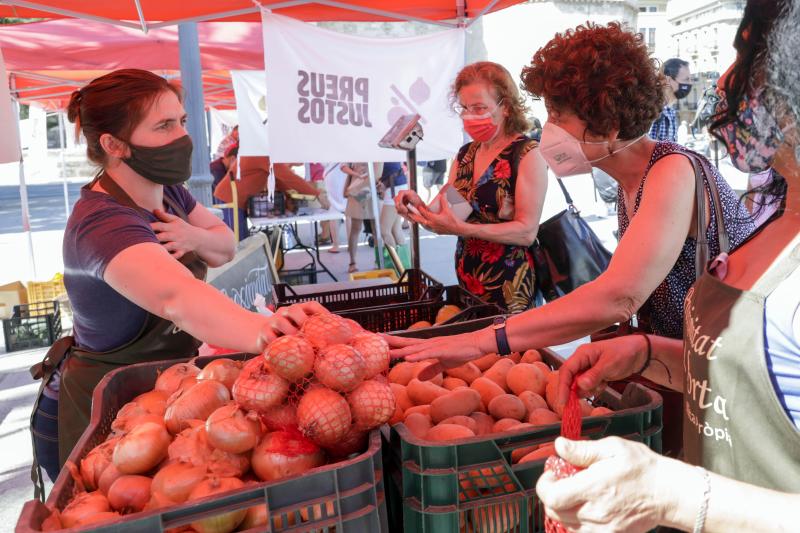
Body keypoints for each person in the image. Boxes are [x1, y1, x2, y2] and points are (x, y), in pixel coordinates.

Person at [389, 24, 755, 455]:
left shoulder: (671, 170)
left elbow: (618, 295)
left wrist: (480, 340)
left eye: (560, 116)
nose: (550, 129)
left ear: (609, 122)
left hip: (731, 383)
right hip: (684, 366)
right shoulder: (629, 181)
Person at [536, 2, 800, 530]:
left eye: (750, 57)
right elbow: (747, 386)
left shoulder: (674, 170)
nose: (728, 82)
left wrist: (672, 497)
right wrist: (647, 352)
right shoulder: (779, 224)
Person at [28, 70, 324, 484]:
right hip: (101, 410)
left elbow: (224, 248)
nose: (183, 137)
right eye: (164, 126)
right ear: (114, 145)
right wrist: (268, 333)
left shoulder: (169, 192)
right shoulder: (102, 224)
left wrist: (193, 235)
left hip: (164, 391)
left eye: (182, 122)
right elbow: (177, 298)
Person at [396, 61, 549, 312]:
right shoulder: (465, 154)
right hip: (468, 280)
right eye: (465, 108)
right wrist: (415, 207)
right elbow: (448, 213)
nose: (470, 116)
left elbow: (526, 232)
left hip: (510, 284)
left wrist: (463, 228)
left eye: (479, 108)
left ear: (506, 107)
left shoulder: (527, 155)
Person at [341, 162, 377, 273]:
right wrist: (357, 174)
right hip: (358, 188)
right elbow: (343, 166)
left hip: (372, 187)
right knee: (356, 227)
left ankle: (379, 260)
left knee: (376, 228)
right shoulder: (352, 149)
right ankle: (352, 262)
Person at [649, 58, 692, 142]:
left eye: (691, 79)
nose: (690, 84)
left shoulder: (670, 112)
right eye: (686, 79)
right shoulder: (652, 111)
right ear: (668, 80)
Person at [378, 162, 409, 262]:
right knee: (395, 229)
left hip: (393, 187)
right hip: (397, 184)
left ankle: (396, 265)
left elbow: (376, 174)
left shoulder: (377, 148)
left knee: (384, 230)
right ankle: (405, 266)